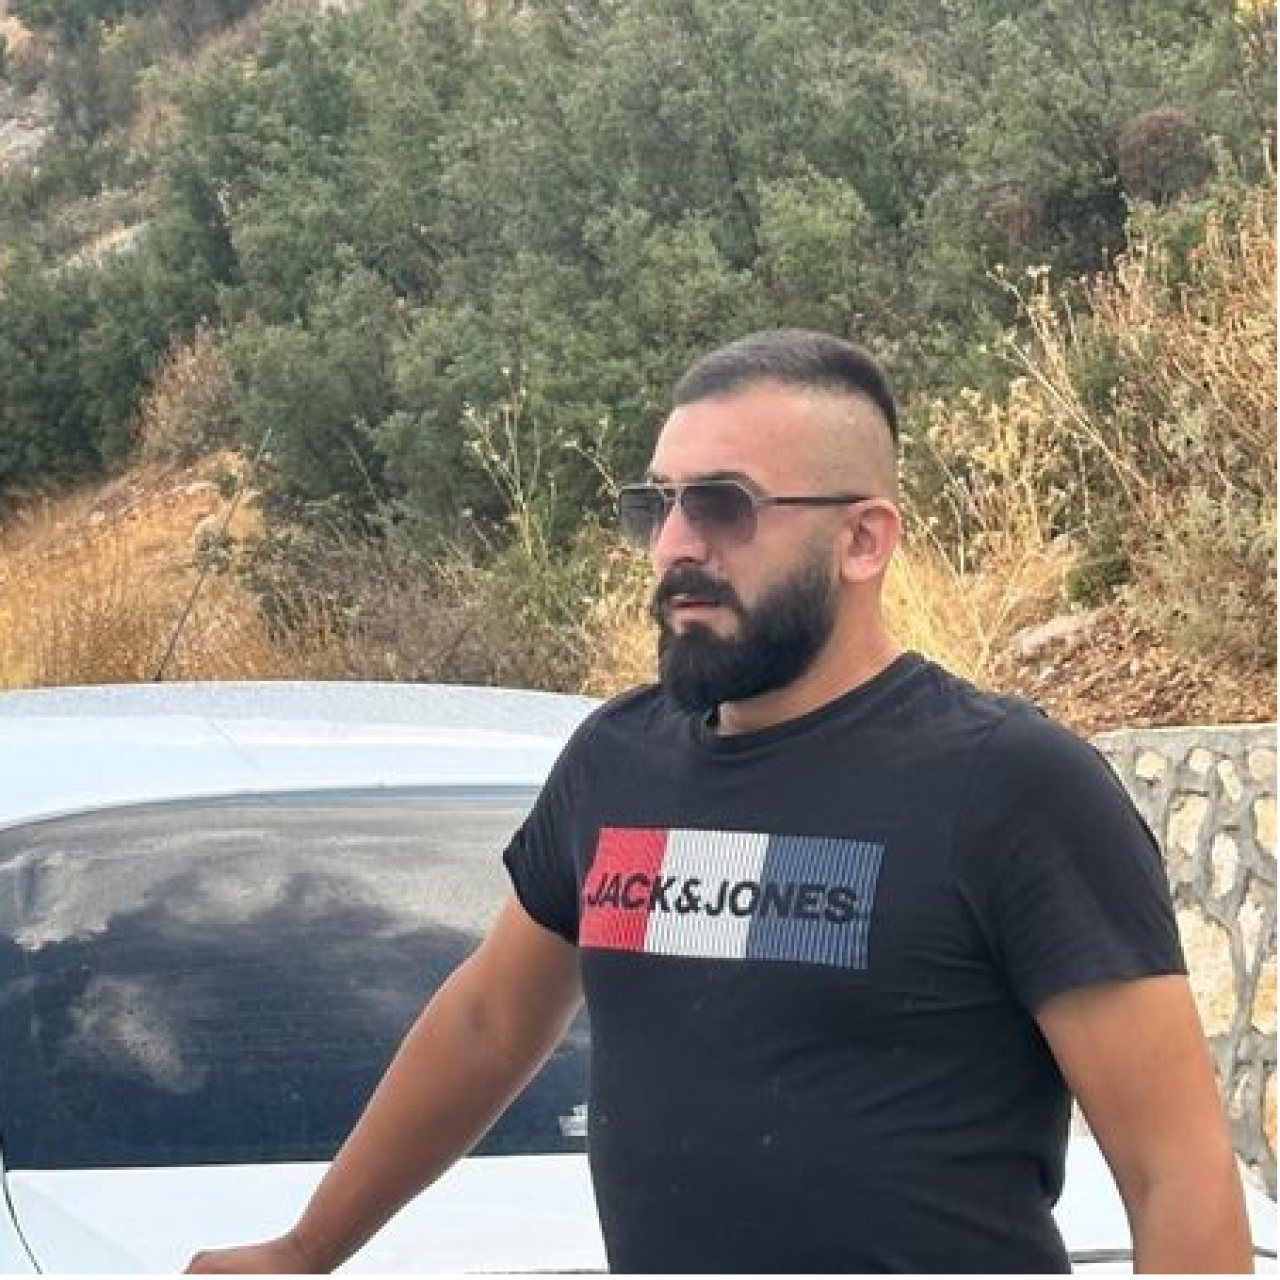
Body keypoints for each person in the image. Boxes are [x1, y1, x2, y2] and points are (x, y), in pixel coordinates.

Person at [188, 330, 1252, 1274]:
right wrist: (303, 1250)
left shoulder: (1014, 787)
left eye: (722, 506)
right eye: (657, 504)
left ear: (863, 540)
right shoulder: (616, 763)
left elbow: (1176, 1173)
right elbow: (488, 1020)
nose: (674, 546)